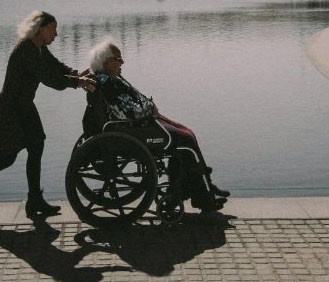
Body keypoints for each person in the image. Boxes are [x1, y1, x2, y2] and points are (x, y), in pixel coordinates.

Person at [0, 11, 95, 222]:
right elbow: (48, 78)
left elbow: (56, 67)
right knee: (6, 158)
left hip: (24, 105)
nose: (56, 35)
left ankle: (34, 199)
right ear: (42, 30)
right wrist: (77, 82)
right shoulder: (26, 49)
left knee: (37, 145)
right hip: (11, 108)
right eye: (53, 30)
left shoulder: (39, 47)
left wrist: (78, 73)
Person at [84, 39, 228, 213]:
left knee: (186, 134)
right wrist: (150, 107)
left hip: (133, 126)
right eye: (119, 59)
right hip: (133, 129)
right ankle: (198, 193)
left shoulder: (106, 79)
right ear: (107, 62)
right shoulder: (108, 82)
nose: (122, 62)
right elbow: (131, 112)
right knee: (185, 139)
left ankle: (202, 187)